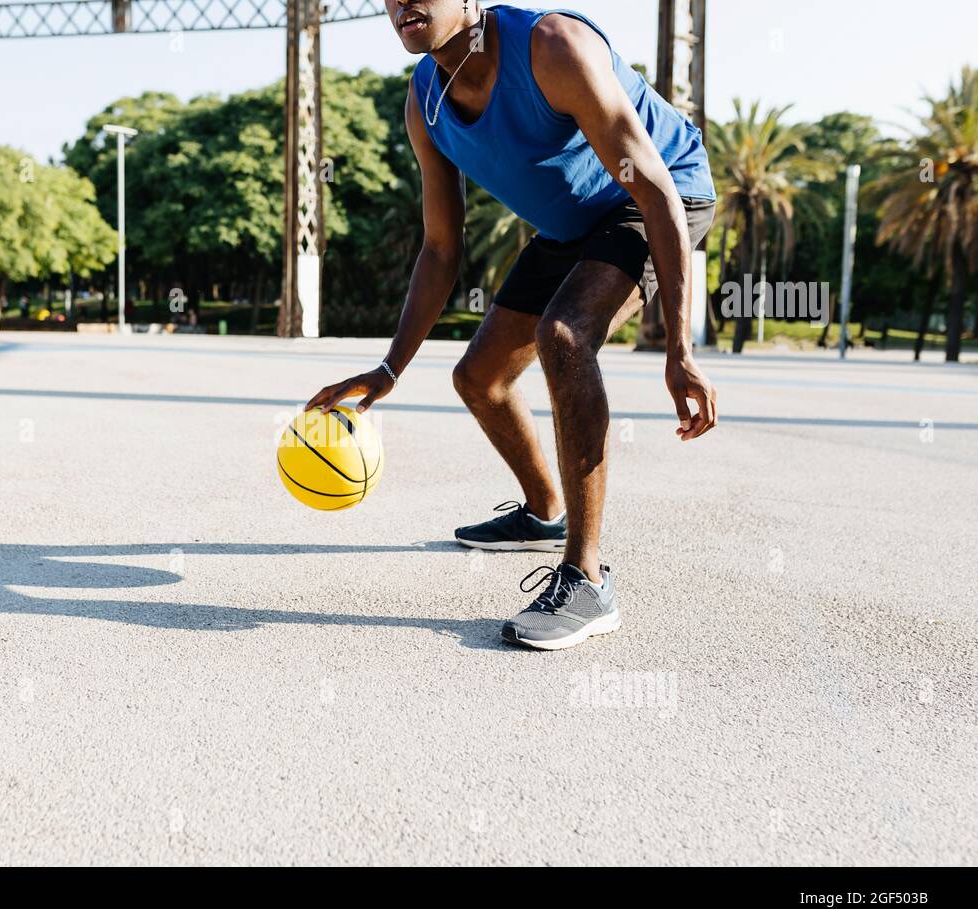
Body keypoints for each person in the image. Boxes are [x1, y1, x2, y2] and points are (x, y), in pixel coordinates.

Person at [307, 2, 718, 650]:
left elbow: (658, 190)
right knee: (479, 377)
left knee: (565, 335)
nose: (403, 1)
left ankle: (586, 581)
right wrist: (389, 369)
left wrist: (680, 348)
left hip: (658, 197)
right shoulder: (425, 104)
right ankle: (544, 512)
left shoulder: (553, 47)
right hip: (570, 227)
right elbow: (441, 249)